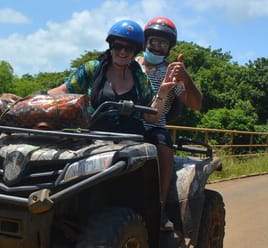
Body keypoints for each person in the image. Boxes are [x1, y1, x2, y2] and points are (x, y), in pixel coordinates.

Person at [48, 19, 178, 229]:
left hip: (130, 140)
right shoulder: (93, 68)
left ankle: (156, 209)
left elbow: (151, 117)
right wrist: (33, 100)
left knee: (138, 169)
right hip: (94, 135)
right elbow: (64, 90)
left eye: (129, 48)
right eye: (119, 46)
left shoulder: (139, 76)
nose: (123, 52)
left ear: (136, 50)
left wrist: (163, 92)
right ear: (111, 45)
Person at [136, 16, 203, 230]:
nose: (157, 46)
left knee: (164, 148)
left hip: (155, 128)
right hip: (126, 125)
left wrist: (185, 78)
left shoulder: (172, 73)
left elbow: (195, 104)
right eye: (154, 41)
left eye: (163, 43)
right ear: (145, 41)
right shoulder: (131, 64)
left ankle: (160, 206)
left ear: (169, 47)